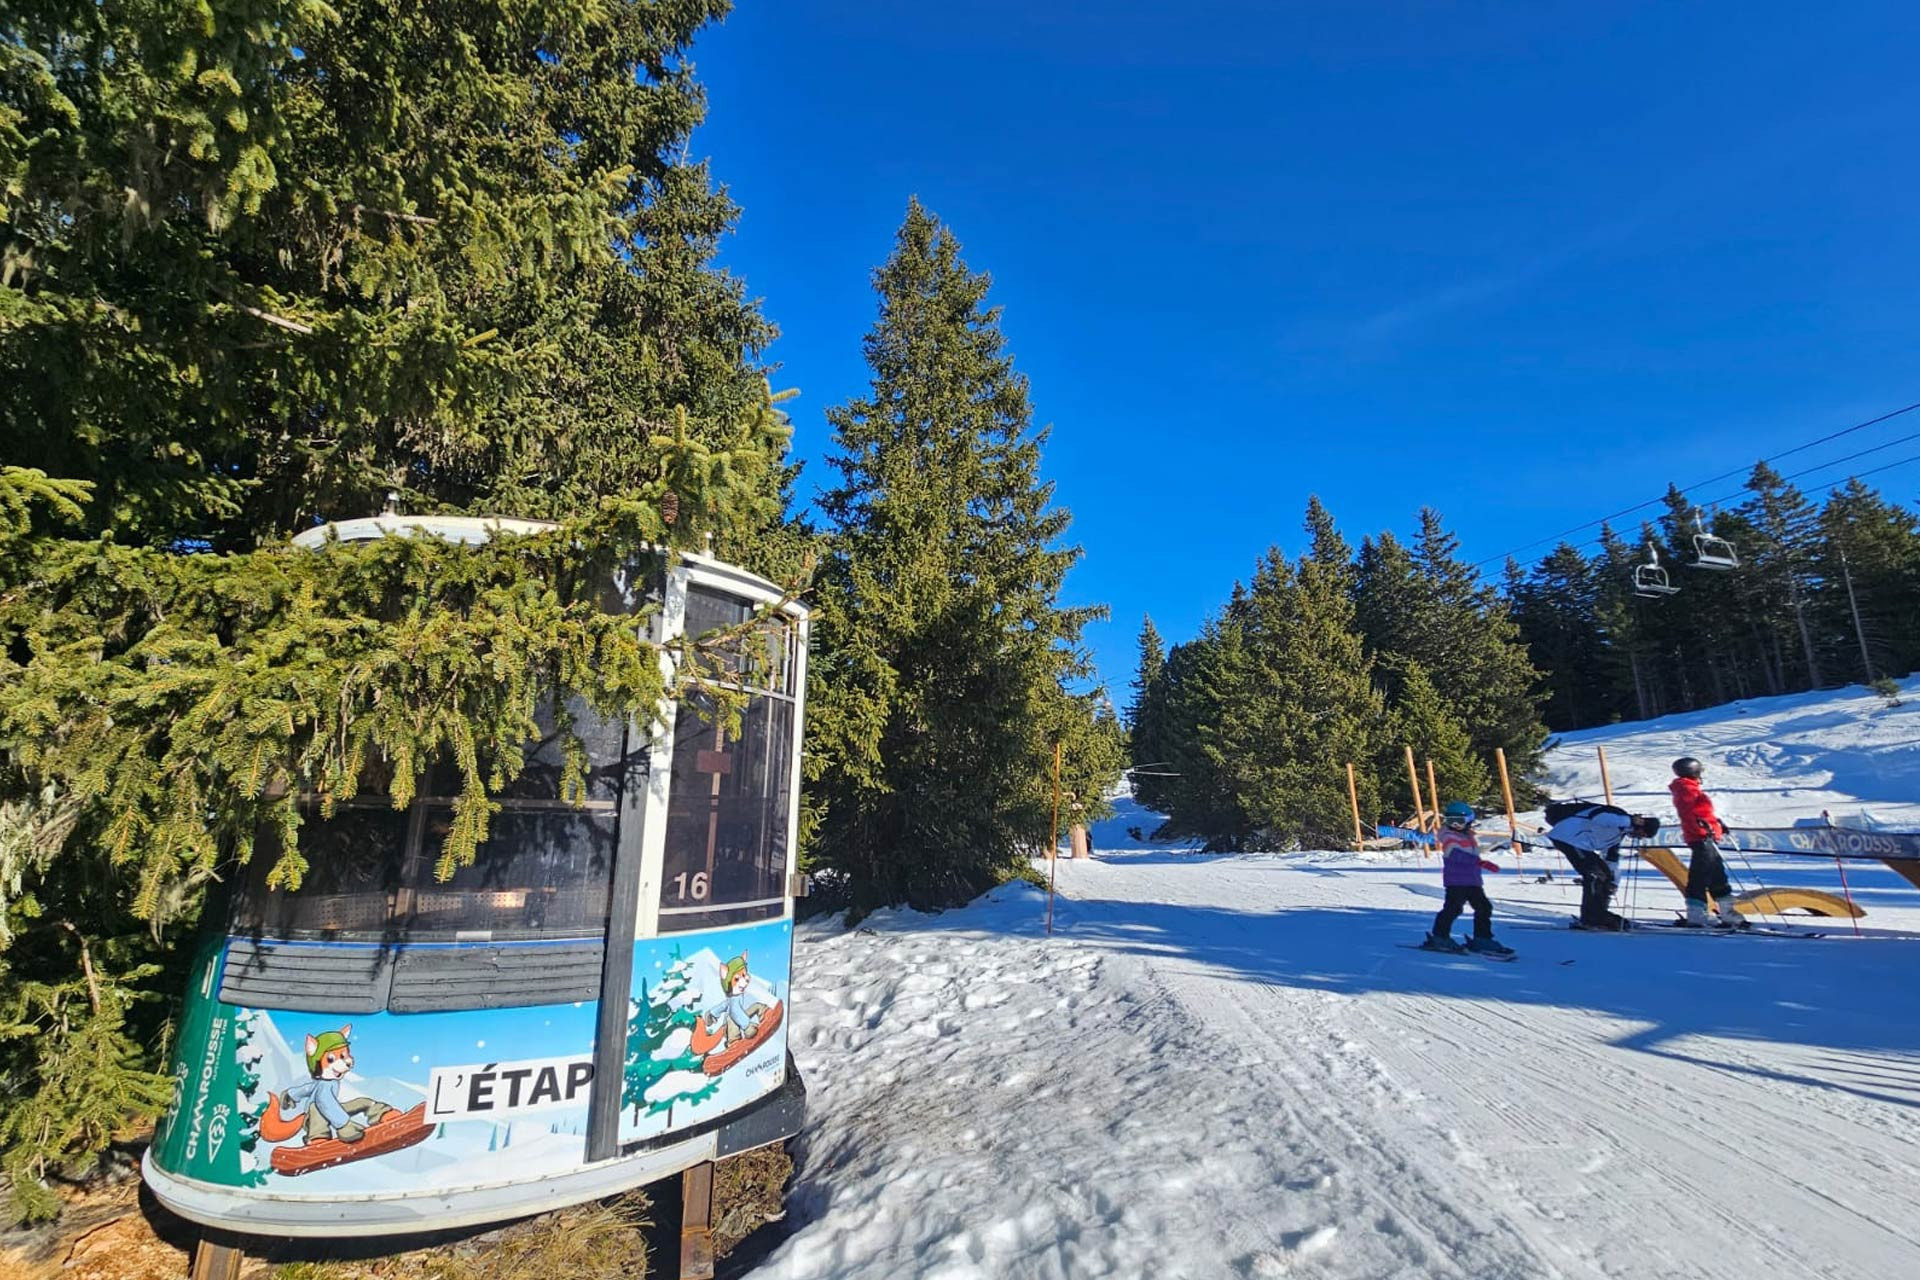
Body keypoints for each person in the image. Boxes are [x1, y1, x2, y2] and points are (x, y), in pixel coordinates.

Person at [1544, 802, 1660, 930]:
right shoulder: (1620, 817)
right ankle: (1592, 918)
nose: (1639, 837)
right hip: (1567, 838)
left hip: (1580, 844)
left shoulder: (1618, 835)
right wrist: (1630, 820)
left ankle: (1598, 914)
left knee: (1605, 877)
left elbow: (1611, 858)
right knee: (1594, 875)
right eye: (1643, 834)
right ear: (1641, 825)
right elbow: (1599, 818)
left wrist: (1613, 881)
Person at [1423, 801, 1514, 956]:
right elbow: (1456, 855)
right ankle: (1440, 936)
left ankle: (1482, 938)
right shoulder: (1448, 836)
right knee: (1453, 908)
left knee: (1484, 907)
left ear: (1469, 821)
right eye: (1452, 821)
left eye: (1460, 821)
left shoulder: (1467, 835)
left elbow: (1471, 852)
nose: (1456, 825)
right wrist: (1480, 862)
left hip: (1472, 880)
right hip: (1456, 881)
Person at [1669, 757, 1747, 929]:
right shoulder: (1687, 789)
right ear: (1694, 772)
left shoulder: (1687, 788)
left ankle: (1728, 913)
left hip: (1705, 836)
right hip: (1702, 838)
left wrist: (1716, 824)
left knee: (1717, 876)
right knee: (1700, 876)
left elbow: (1701, 815)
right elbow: (1695, 814)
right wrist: (1707, 828)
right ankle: (1697, 916)